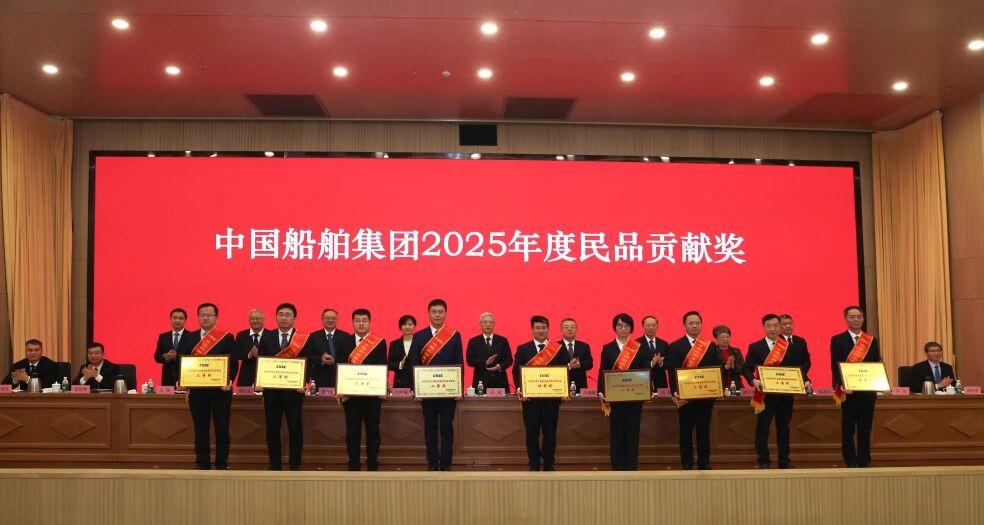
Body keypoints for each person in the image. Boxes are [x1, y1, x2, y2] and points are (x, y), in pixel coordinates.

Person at [742, 313, 812, 469]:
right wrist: (753, 380)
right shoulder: (756, 347)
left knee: (784, 428)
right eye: (769, 326)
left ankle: (784, 460)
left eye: (775, 326)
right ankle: (763, 460)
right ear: (763, 327)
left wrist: (806, 380)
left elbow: (797, 369)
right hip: (764, 395)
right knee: (763, 428)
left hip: (785, 395)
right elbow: (746, 368)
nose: (772, 329)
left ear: (780, 327)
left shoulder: (789, 347)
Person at [408, 298, 464, 471]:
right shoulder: (419, 336)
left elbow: (459, 362)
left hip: (448, 392)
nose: (437, 315)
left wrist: (459, 388)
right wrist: (416, 389)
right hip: (427, 392)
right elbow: (414, 363)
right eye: (434, 312)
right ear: (428, 314)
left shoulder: (454, 335)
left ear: (445, 313)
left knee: (447, 427)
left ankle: (445, 463)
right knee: (430, 427)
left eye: (440, 312)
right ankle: (432, 462)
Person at [180, 303, 238, 470]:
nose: (205, 318)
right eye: (202, 315)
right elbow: (182, 361)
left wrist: (229, 380)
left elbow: (233, 363)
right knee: (200, 428)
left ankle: (221, 463)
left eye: (209, 315)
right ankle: (202, 462)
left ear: (216, 317)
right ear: (198, 317)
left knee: (221, 427)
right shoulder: (189, 337)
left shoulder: (226, 337)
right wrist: (182, 379)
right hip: (197, 391)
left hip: (220, 391)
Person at [666, 310, 724, 470]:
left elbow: (716, 368)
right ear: (684, 325)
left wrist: (717, 388)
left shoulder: (710, 346)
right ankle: (686, 462)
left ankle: (704, 462)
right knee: (685, 430)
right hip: (685, 396)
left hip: (705, 396)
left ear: (701, 325)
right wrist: (674, 391)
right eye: (691, 323)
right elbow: (671, 371)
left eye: (697, 323)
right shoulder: (675, 346)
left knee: (704, 430)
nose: (694, 326)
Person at [599, 313, 657, 471]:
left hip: (634, 398)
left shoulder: (639, 347)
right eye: (620, 325)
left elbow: (645, 369)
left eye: (626, 326)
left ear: (631, 328)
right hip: (615, 398)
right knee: (617, 432)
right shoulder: (608, 348)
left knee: (632, 432)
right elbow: (602, 371)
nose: (623, 328)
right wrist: (601, 392)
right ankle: (617, 466)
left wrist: (648, 389)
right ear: (615, 328)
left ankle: (632, 466)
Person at [259, 303, 313, 471]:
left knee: (295, 428)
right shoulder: (267, 337)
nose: (284, 318)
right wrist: (260, 380)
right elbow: (261, 361)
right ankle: (274, 463)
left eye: (288, 315)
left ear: (294, 318)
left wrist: (304, 383)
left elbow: (308, 363)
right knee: (272, 428)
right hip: (271, 391)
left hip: (294, 392)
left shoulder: (303, 338)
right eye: (281, 314)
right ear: (276, 317)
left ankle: (295, 464)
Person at [513, 315, 568, 471]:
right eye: (537, 328)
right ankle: (534, 464)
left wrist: (564, 389)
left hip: (552, 400)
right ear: (532, 330)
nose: (541, 331)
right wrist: (521, 390)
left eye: (543, 328)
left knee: (550, 433)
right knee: (532, 433)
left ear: (548, 329)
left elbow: (564, 370)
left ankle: (549, 464)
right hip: (530, 400)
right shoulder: (523, 348)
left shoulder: (558, 349)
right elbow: (516, 372)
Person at [830, 305, 882, 468]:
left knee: (865, 427)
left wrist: (879, 382)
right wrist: (841, 385)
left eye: (859, 316)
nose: (856, 320)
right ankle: (850, 460)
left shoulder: (871, 340)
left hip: (867, 391)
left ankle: (864, 459)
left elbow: (876, 363)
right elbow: (835, 365)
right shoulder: (837, 339)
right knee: (848, 427)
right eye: (852, 317)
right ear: (845, 319)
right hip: (848, 391)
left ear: (863, 319)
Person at [338, 308, 388, 471]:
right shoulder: (344, 342)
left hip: (372, 396)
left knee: (373, 431)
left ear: (369, 322)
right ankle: (353, 463)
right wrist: (340, 387)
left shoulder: (379, 342)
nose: (361, 323)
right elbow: (340, 366)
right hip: (350, 396)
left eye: (364, 320)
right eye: (357, 320)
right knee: (352, 432)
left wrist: (382, 388)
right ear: (352, 323)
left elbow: (382, 366)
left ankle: (372, 463)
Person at [308, 308, 355, 389]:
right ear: (322, 319)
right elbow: (309, 356)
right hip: (319, 378)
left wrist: (334, 361)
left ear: (337, 320)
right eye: (327, 318)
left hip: (340, 378)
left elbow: (350, 358)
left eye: (333, 318)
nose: (330, 320)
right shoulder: (313, 336)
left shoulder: (346, 337)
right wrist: (321, 360)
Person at [465, 312, 513, 391]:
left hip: (500, 381)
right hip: (481, 382)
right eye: (485, 322)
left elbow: (509, 359)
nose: (488, 324)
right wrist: (485, 362)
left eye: (491, 322)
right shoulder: (473, 341)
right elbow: (469, 361)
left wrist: (500, 366)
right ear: (480, 324)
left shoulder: (502, 340)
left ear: (494, 324)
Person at [154, 308, 192, 386]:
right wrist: (165, 357)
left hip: (185, 375)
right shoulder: (163, 337)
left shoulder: (191, 336)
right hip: (167, 377)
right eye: (174, 318)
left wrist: (176, 356)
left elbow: (193, 357)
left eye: (181, 318)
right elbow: (157, 357)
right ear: (170, 319)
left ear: (185, 320)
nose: (177, 320)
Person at [234, 308, 267, 387]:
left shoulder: (271, 335)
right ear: (249, 320)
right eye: (252, 319)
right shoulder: (241, 335)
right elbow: (236, 354)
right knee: (244, 395)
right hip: (245, 377)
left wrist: (260, 354)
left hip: (265, 376)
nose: (255, 321)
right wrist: (249, 354)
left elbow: (274, 355)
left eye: (258, 319)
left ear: (263, 320)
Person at [559, 317, 593, 393]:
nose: (569, 329)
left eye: (572, 327)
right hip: (561, 386)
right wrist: (569, 366)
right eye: (566, 327)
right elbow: (553, 367)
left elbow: (590, 364)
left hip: (580, 385)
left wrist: (579, 364)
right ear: (561, 329)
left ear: (576, 329)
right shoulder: (555, 346)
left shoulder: (584, 346)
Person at [638, 315, 669, 390]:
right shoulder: (636, 344)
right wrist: (651, 363)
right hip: (642, 382)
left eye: (653, 325)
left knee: (663, 398)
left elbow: (669, 363)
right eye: (648, 325)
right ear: (643, 326)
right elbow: (636, 364)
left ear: (657, 326)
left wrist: (661, 363)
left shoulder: (664, 344)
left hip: (661, 383)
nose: (651, 328)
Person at [387, 315, 416, 389]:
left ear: (414, 326)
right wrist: (399, 365)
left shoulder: (420, 343)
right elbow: (389, 364)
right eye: (404, 325)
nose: (407, 327)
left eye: (410, 324)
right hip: (400, 382)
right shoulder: (394, 344)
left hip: (416, 381)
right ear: (400, 327)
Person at [711, 325, 745, 389]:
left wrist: (733, 366)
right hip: (719, 386)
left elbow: (742, 371)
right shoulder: (712, 352)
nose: (725, 339)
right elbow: (711, 373)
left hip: (737, 386)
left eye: (727, 337)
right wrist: (726, 367)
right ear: (716, 338)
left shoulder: (736, 351)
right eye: (722, 337)